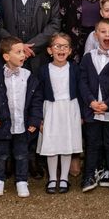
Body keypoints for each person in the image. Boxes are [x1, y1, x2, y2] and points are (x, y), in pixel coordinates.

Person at [0, 36, 42, 198]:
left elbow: (36, 100)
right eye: (18, 52)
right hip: (2, 123)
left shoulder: (29, 76)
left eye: (23, 51)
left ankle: (22, 181)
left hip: (22, 124)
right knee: (1, 153)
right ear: (6, 56)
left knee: (22, 153)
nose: (23, 55)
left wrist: (34, 120)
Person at [79, 18, 109, 194]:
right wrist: (92, 102)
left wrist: (107, 104)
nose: (107, 35)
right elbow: (82, 83)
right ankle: (89, 175)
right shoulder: (87, 58)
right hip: (91, 110)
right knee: (92, 144)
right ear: (95, 35)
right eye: (103, 31)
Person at [35, 33, 83, 194]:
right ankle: (52, 179)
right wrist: (39, 119)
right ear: (50, 50)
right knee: (52, 144)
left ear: (69, 51)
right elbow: (39, 94)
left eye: (65, 46)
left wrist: (82, 115)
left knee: (66, 144)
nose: (61, 49)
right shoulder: (43, 70)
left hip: (70, 109)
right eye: (57, 46)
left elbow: (82, 92)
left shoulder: (75, 68)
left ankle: (64, 178)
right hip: (51, 110)